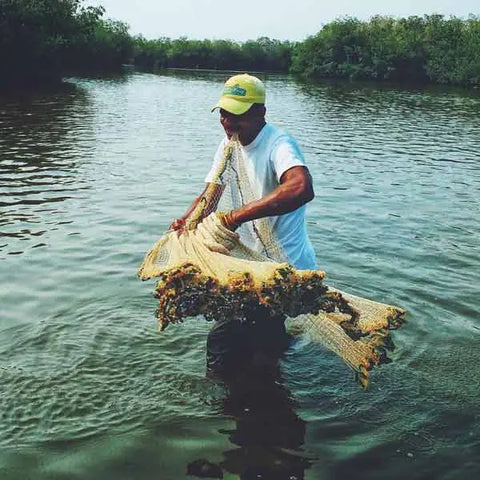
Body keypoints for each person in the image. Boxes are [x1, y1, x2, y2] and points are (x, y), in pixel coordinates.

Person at [170, 73, 317, 376]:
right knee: (251, 343)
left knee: (229, 344)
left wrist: (237, 216)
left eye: (237, 115)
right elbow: (212, 192)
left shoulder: (278, 143)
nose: (228, 122)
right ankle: (256, 397)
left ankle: (252, 407)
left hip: (281, 267)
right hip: (250, 264)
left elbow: (301, 187)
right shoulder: (228, 144)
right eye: (224, 113)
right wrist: (188, 219)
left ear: (260, 112)